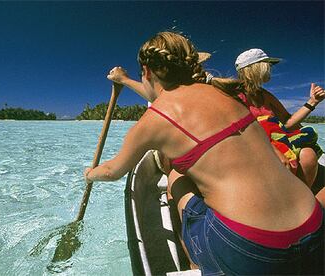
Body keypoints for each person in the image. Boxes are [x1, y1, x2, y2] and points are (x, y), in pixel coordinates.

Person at [84, 31, 324, 275]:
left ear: (146, 71)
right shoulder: (224, 93)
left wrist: (90, 174)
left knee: (177, 180)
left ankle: (196, 263)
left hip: (259, 252)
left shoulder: (153, 119)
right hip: (316, 227)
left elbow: (113, 171)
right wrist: (125, 79)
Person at [235, 48, 324, 188]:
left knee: (308, 155)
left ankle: (300, 199)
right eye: (267, 65)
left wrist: (312, 102)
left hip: (274, 144)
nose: (269, 68)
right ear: (255, 68)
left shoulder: (266, 96)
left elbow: (287, 122)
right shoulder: (234, 96)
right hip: (251, 147)